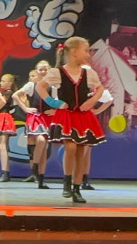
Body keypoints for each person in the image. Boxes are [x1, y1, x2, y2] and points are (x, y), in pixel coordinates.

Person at [36, 38, 106, 203]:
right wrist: (54, 103)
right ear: (74, 52)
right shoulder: (58, 72)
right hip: (67, 115)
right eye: (85, 50)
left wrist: (91, 101)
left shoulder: (88, 73)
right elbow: (40, 87)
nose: (88, 54)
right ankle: (67, 181)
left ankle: (76, 186)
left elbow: (100, 88)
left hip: (82, 116)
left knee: (81, 150)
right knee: (71, 146)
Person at [13, 62, 54, 189]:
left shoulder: (52, 86)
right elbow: (15, 95)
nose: (43, 72)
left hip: (47, 117)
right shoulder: (32, 85)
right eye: (41, 70)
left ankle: (41, 178)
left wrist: (55, 110)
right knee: (41, 140)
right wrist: (25, 108)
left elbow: (58, 101)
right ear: (36, 71)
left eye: (45, 69)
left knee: (44, 148)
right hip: (35, 117)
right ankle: (35, 165)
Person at [0, 73, 18, 182]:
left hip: (4, 117)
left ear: (10, 83)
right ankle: (5, 172)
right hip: (4, 117)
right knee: (4, 146)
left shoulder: (8, 93)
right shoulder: (8, 93)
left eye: (3, 81)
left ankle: (5, 173)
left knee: (1, 145)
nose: (1, 83)